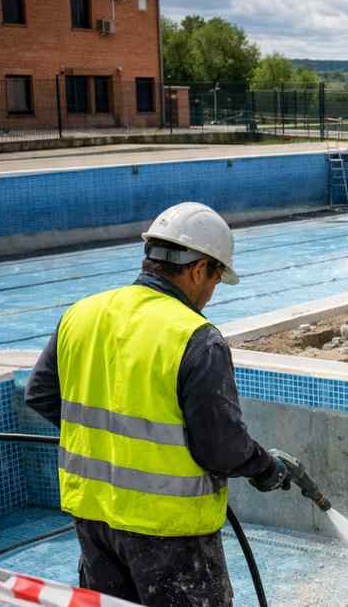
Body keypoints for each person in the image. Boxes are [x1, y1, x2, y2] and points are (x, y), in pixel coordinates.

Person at [24, 202, 296, 606]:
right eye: (216, 278)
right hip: (170, 532)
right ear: (198, 269)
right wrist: (264, 467)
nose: (211, 293)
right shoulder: (196, 338)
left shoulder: (81, 315)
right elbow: (220, 446)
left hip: (95, 521)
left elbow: (41, 395)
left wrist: (110, 448)